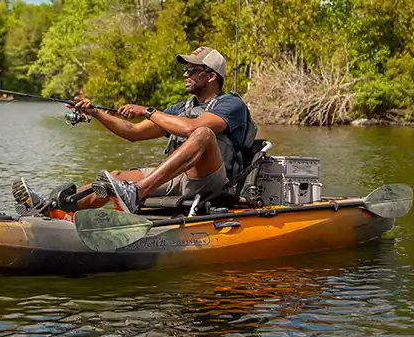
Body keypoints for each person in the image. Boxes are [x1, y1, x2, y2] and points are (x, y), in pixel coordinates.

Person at [13, 45, 257, 216]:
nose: (185, 74)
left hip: (213, 181)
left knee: (203, 134)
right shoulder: (182, 107)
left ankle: (138, 192)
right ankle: (51, 208)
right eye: (185, 70)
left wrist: (149, 111)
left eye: (192, 70)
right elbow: (132, 131)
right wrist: (96, 113)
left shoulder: (230, 105)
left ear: (211, 76)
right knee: (115, 178)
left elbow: (194, 127)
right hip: (178, 177)